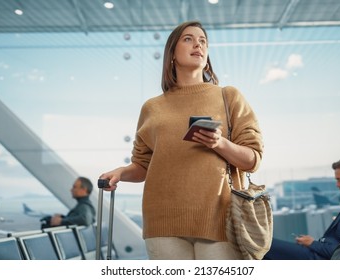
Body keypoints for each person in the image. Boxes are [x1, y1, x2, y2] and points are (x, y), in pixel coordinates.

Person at [99, 21, 263, 260]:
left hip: (219, 219)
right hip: (162, 221)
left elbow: (253, 160)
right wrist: (122, 172)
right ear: (172, 54)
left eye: (203, 41)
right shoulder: (152, 107)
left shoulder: (228, 96)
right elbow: (143, 166)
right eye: (188, 39)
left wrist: (219, 143)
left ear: (207, 56)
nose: (198, 44)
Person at [264, 156, 340, 260]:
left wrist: (312, 244)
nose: (337, 185)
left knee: (266, 246)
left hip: (322, 258)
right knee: (265, 247)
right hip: (320, 253)